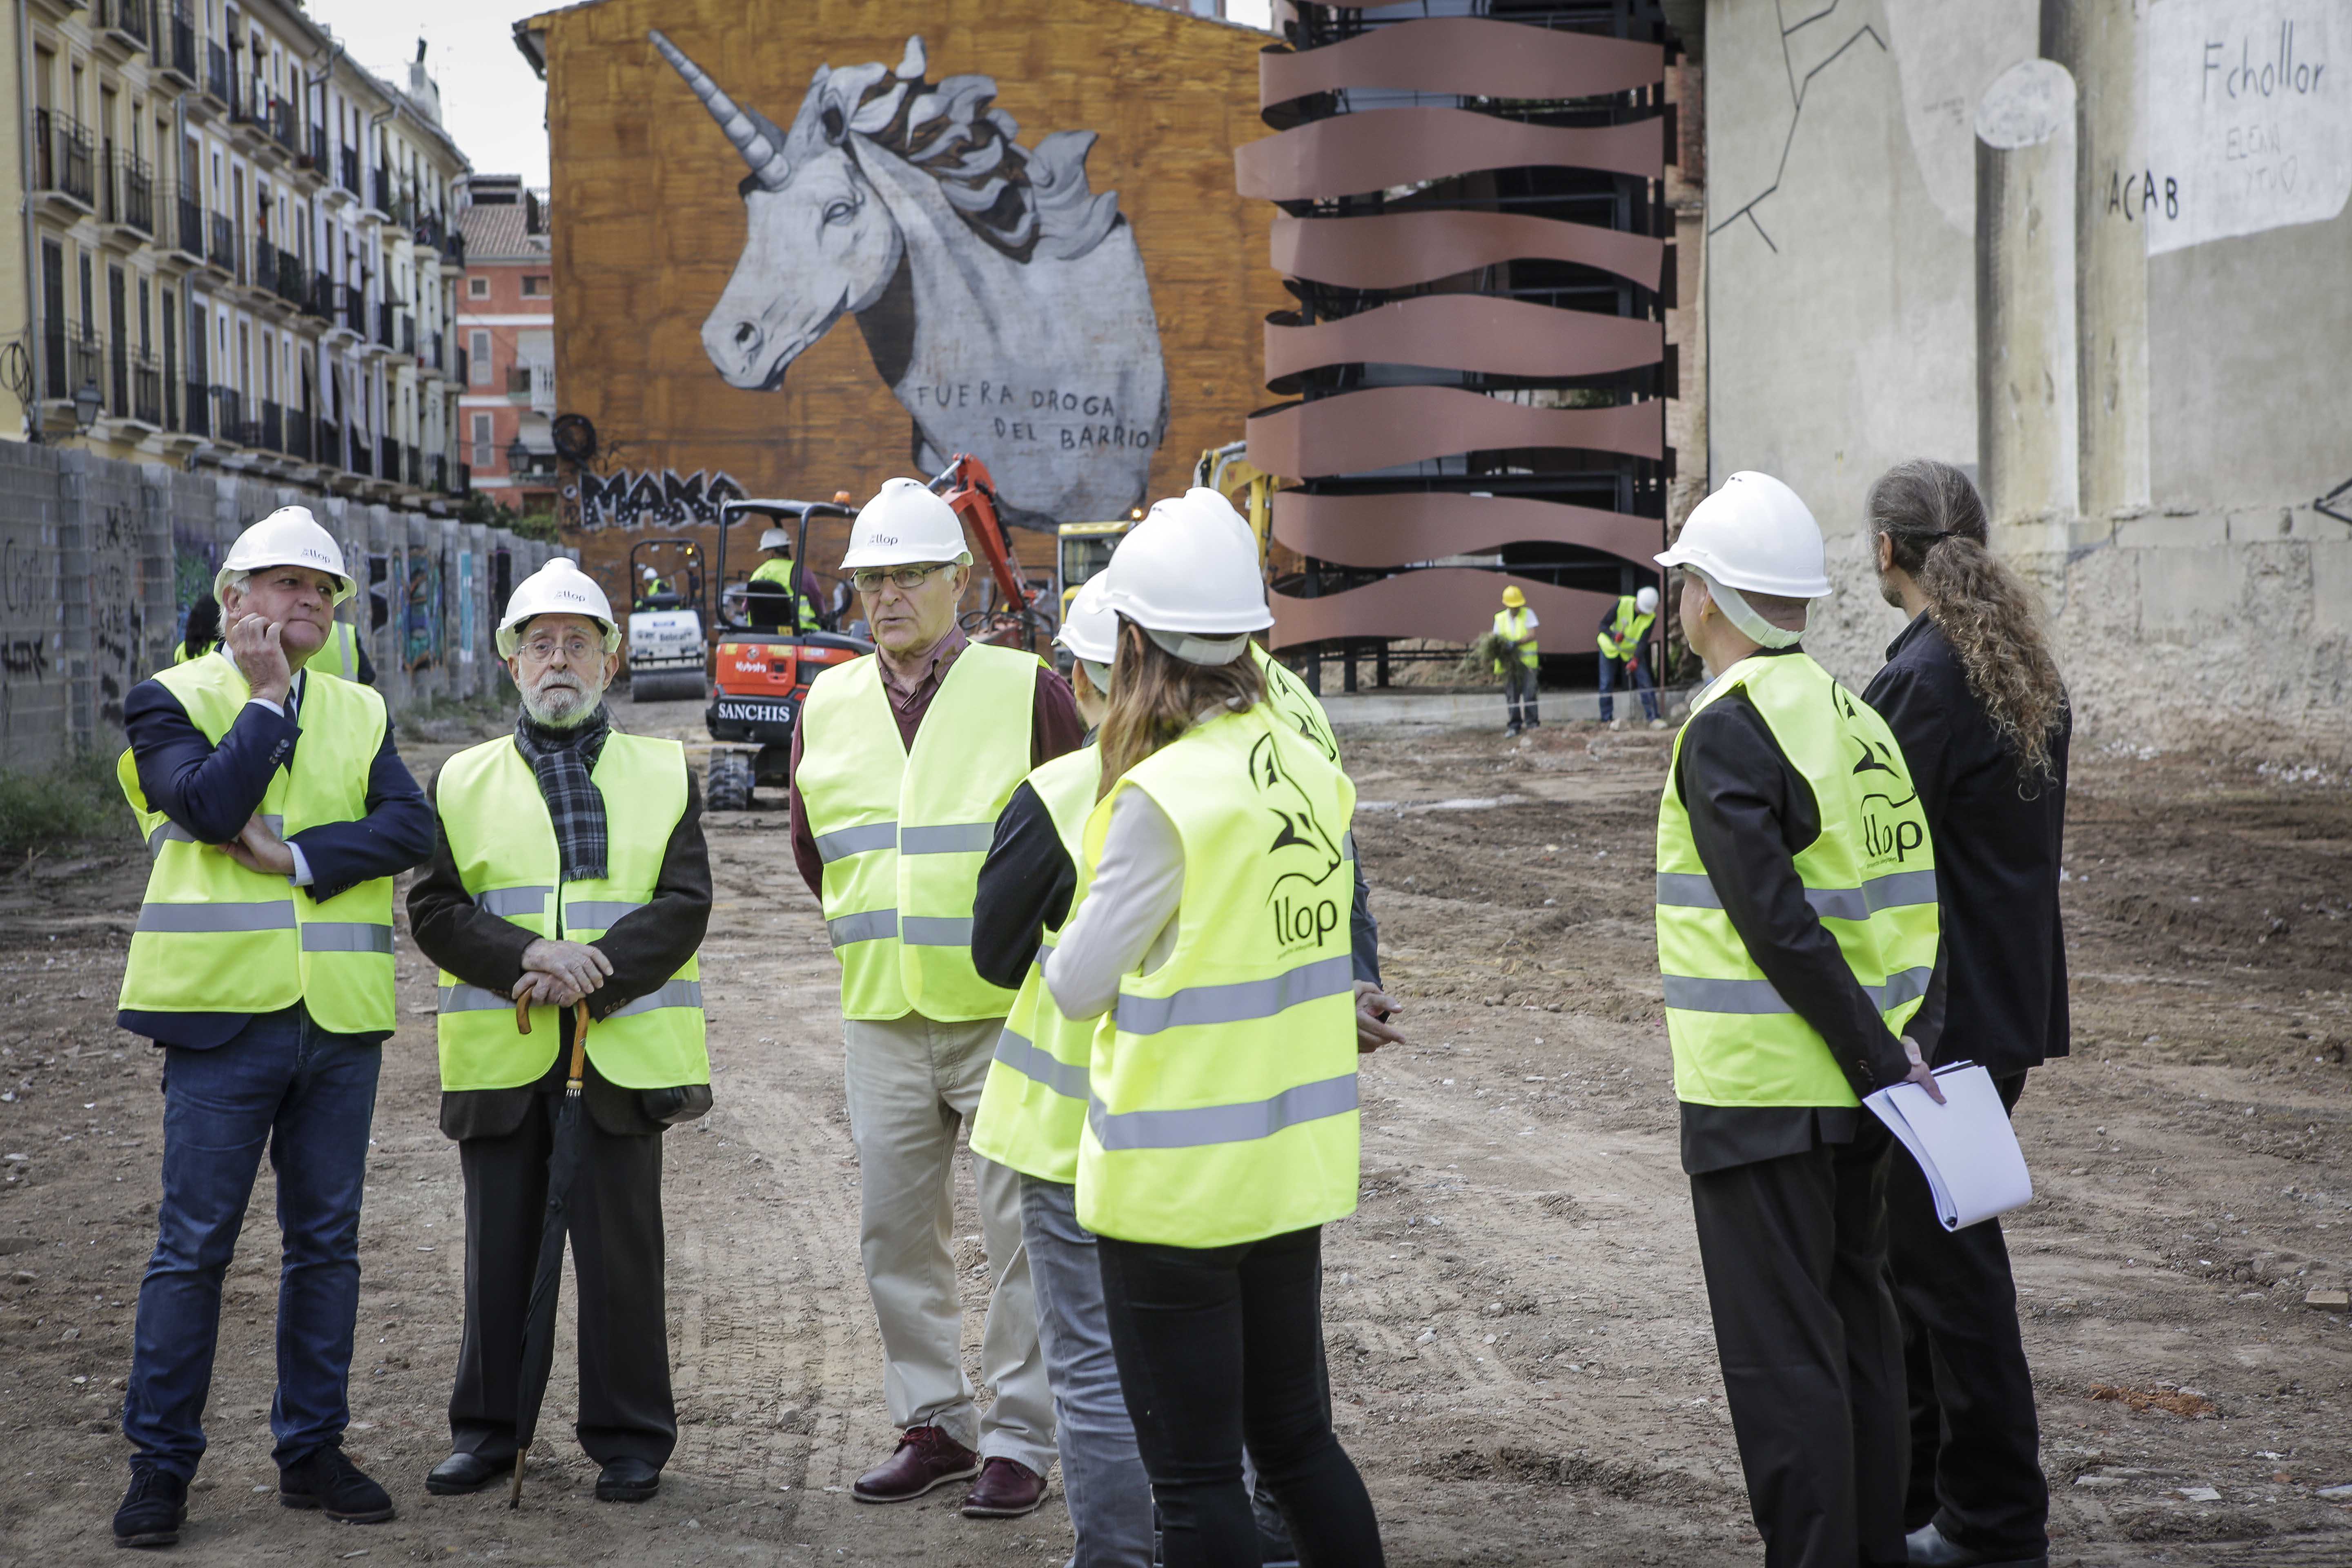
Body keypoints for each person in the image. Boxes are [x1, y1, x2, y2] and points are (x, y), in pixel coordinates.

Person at [969, 533, 1401, 1568]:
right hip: (1286, 1166)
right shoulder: (1304, 767)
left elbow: (1075, 986)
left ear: (1131, 643)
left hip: (1173, 1190)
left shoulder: (1158, 796)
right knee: (1297, 1443)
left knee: (1197, 1481)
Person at [110, 506, 435, 1548]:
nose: (304, 599)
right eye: (283, 582)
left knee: (325, 1246)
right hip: (219, 1021)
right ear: (233, 600)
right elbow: (204, 807)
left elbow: (408, 827)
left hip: (337, 1023)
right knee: (192, 1247)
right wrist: (262, 701)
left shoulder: (363, 709)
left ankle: (311, 1450)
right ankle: (160, 1464)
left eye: (320, 587)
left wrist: (294, 856)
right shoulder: (170, 698)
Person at [1653, 472, 1947, 1568]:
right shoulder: (1854, 718)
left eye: (1686, 583)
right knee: (1859, 1341)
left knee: (1786, 1373)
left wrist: (1873, 1055)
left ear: (1715, 600)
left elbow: (1777, 927)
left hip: (1762, 1098)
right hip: (1861, 1097)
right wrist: (1898, 1054)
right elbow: (1917, 901)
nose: (1678, 603)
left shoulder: (1730, 727)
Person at [788, 477, 1083, 1519]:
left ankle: (1016, 1434)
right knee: (892, 1231)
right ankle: (935, 1423)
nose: (889, 594)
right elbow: (812, 849)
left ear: (958, 577)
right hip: (881, 1010)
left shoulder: (1025, 685)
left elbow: (1080, 831)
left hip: (1008, 1009)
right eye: (872, 578)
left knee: (1017, 1233)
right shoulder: (824, 700)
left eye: (910, 572)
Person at [406, 557, 712, 1506]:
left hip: (618, 1054)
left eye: (577, 642)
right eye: (539, 643)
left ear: (610, 661)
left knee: (622, 1259)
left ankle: (628, 1439)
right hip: (504, 1053)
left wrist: (596, 969)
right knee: (499, 1252)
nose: (557, 660)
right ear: (511, 661)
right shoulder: (459, 777)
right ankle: (489, 1433)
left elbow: (683, 903)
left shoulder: (664, 769)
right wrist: (531, 954)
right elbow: (437, 909)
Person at [1862, 459, 2069, 1568]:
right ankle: (1921, 1504)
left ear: (1884, 553)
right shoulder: (2018, 664)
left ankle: (1990, 1525)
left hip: (1938, 1031)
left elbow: (1863, 853)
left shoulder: (1922, 683)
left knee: (1947, 1277)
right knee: (1927, 1269)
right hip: (2000, 1009)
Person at [1597, 584, 1662, 729]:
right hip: (1610, 647)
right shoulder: (1623, 603)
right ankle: (1606, 720)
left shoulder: (1650, 617)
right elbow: (1603, 625)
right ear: (1637, 601)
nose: (1643, 612)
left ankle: (1654, 718)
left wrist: (1636, 660)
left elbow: (1643, 641)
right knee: (1606, 683)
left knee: (1645, 681)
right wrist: (1614, 636)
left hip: (1630, 652)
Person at [1490, 583, 1540, 735]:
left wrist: (1516, 643)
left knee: (1530, 693)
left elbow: (1532, 634)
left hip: (1528, 663)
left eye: (1517, 606)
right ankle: (1514, 725)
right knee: (1512, 695)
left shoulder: (1528, 614)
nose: (1516, 608)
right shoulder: (1500, 618)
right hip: (1509, 664)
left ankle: (1532, 724)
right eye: (1513, 606)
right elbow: (1496, 638)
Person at [750, 526, 818, 631]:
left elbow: (747, 606)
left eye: (765, 552)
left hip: (761, 631)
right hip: (800, 631)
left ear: (771, 552)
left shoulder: (757, 575)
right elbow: (817, 601)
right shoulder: (801, 572)